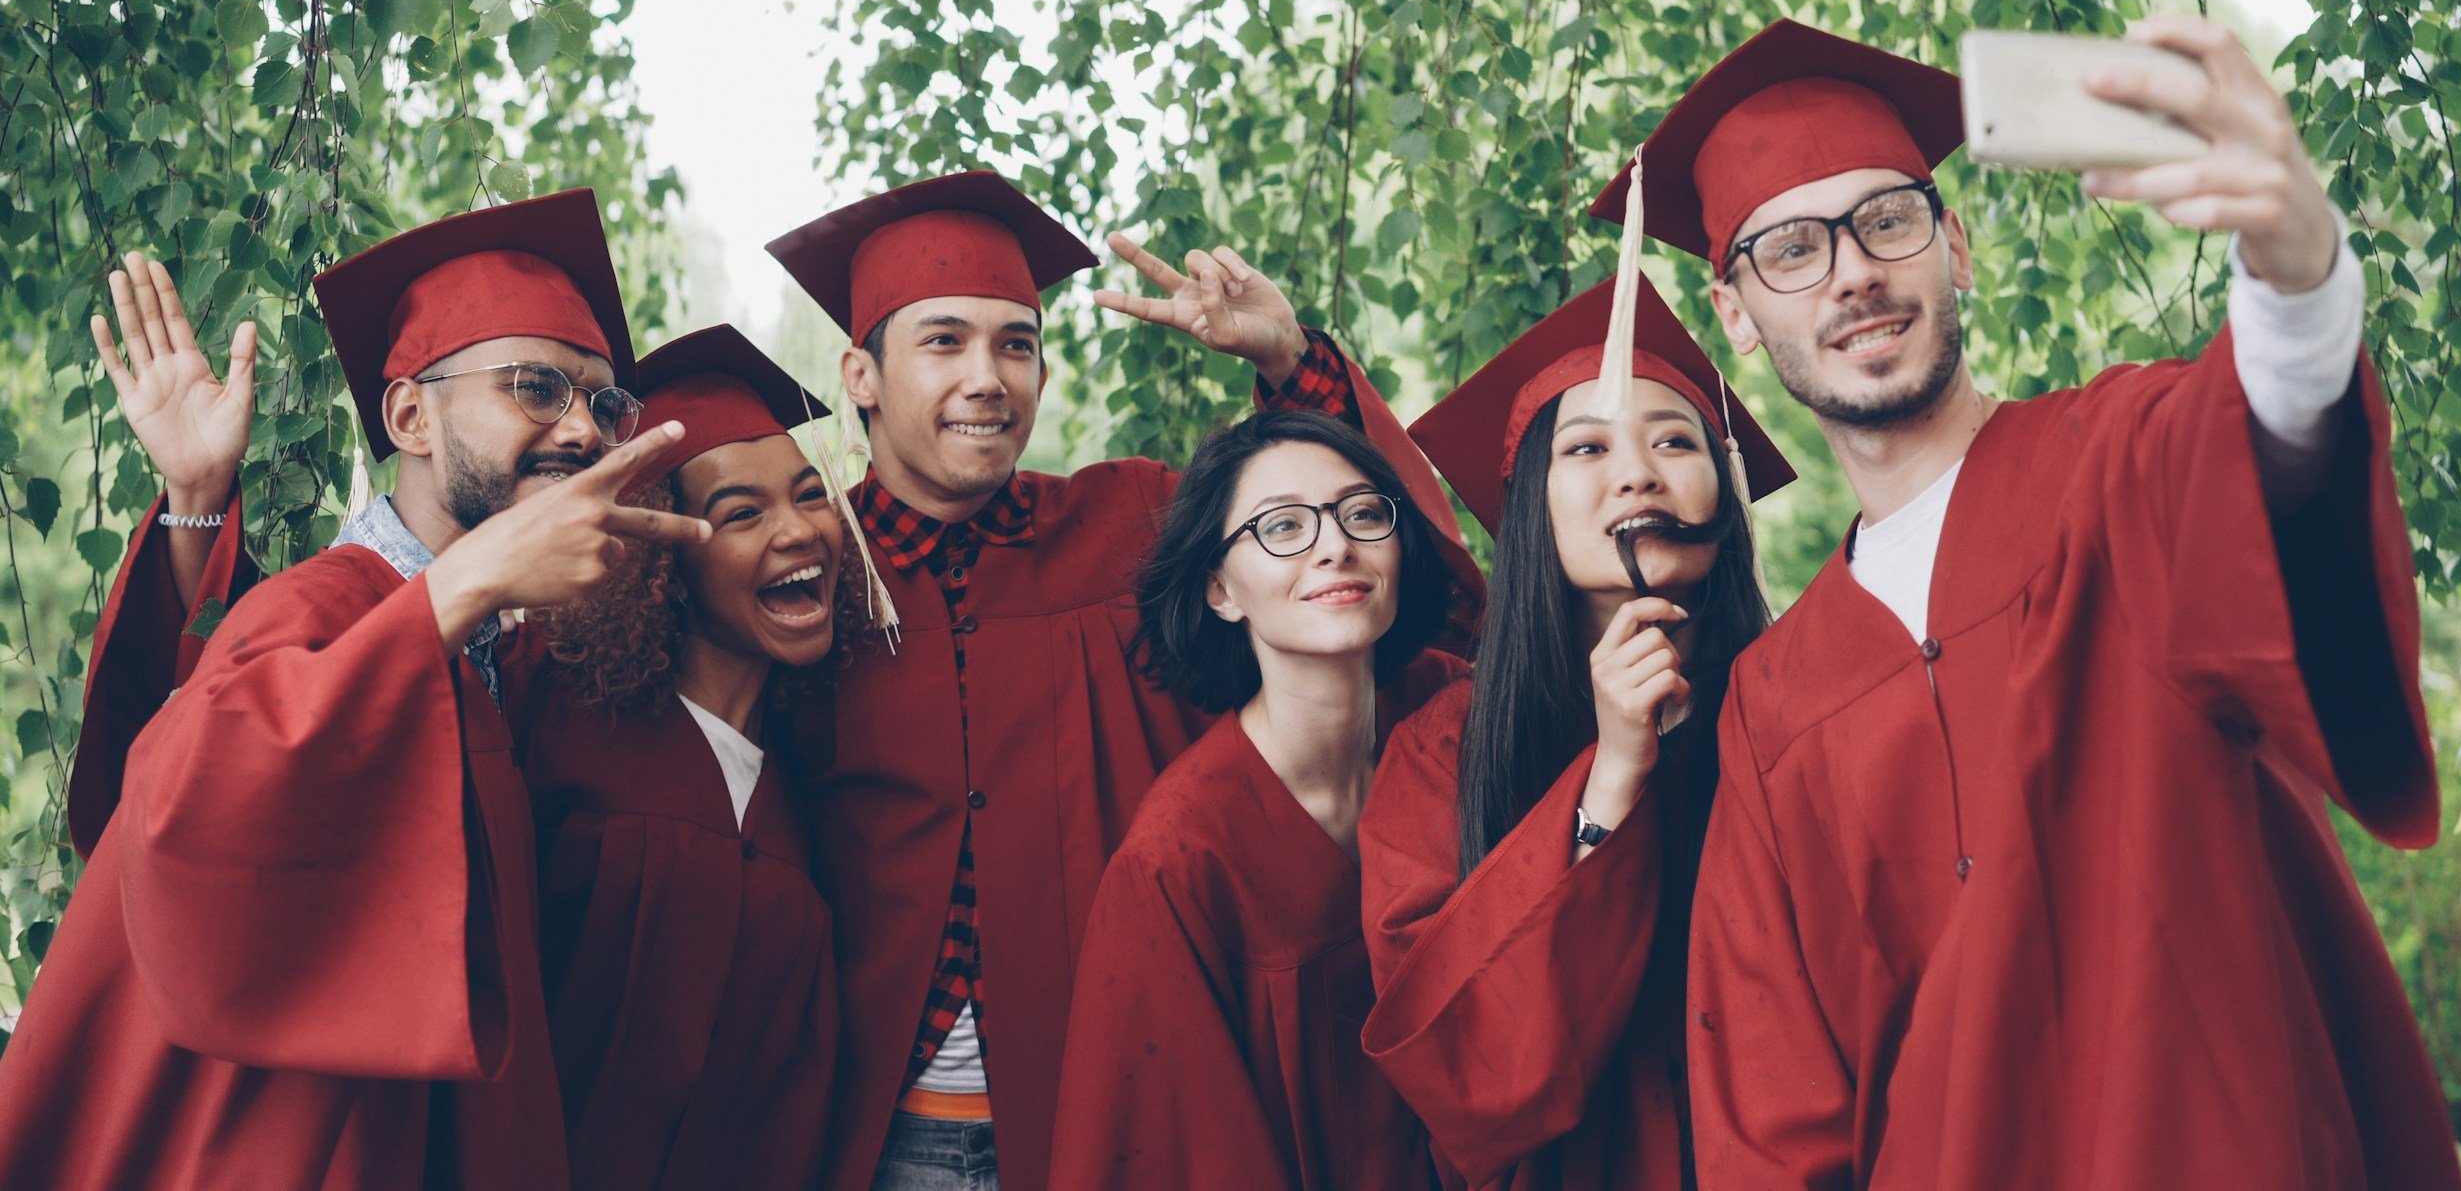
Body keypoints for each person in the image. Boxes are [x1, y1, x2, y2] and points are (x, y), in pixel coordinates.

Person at [1592, 16, 2461, 1189]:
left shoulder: (2114, 467)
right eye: (1790, 249)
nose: (1851, 271)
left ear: (1954, 244)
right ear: (1737, 313)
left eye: (1886, 220)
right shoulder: (1769, 706)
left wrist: (2296, 275)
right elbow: (1772, 1098)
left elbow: (2259, 445)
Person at [764, 169, 1479, 1190]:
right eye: (944, 341)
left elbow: (1397, 598)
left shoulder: (1133, 528)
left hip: (1123, 1109)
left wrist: (1290, 364)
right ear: (860, 376)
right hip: (874, 1136)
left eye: (1017, 344)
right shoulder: (802, 575)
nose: (988, 377)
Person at [0, 190, 711, 1191]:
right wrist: (466, 581)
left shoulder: (500, 658)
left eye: (602, 402)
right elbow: (186, 801)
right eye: (536, 388)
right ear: (411, 416)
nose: (585, 433)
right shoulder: (333, 607)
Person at [1359, 274, 1792, 1191]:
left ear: (1724, 489)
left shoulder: (1801, 702)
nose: (1637, 471)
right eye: (1586, 447)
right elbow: (1460, 1068)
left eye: (1675, 440)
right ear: (1530, 509)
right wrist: (1611, 782)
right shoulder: (1445, 748)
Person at [1047, 410, 1467, 1191]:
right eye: (1282, 527)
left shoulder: (1452, 720)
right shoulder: (1179, 859)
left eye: (1364, 513)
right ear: (1220, 587)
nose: (1334, 544)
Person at [519, 324, 868, 1189]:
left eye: (810, 494)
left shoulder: (811, 779)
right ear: (660, 553)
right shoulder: (546, 717)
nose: (799, 531)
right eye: (741, 512)